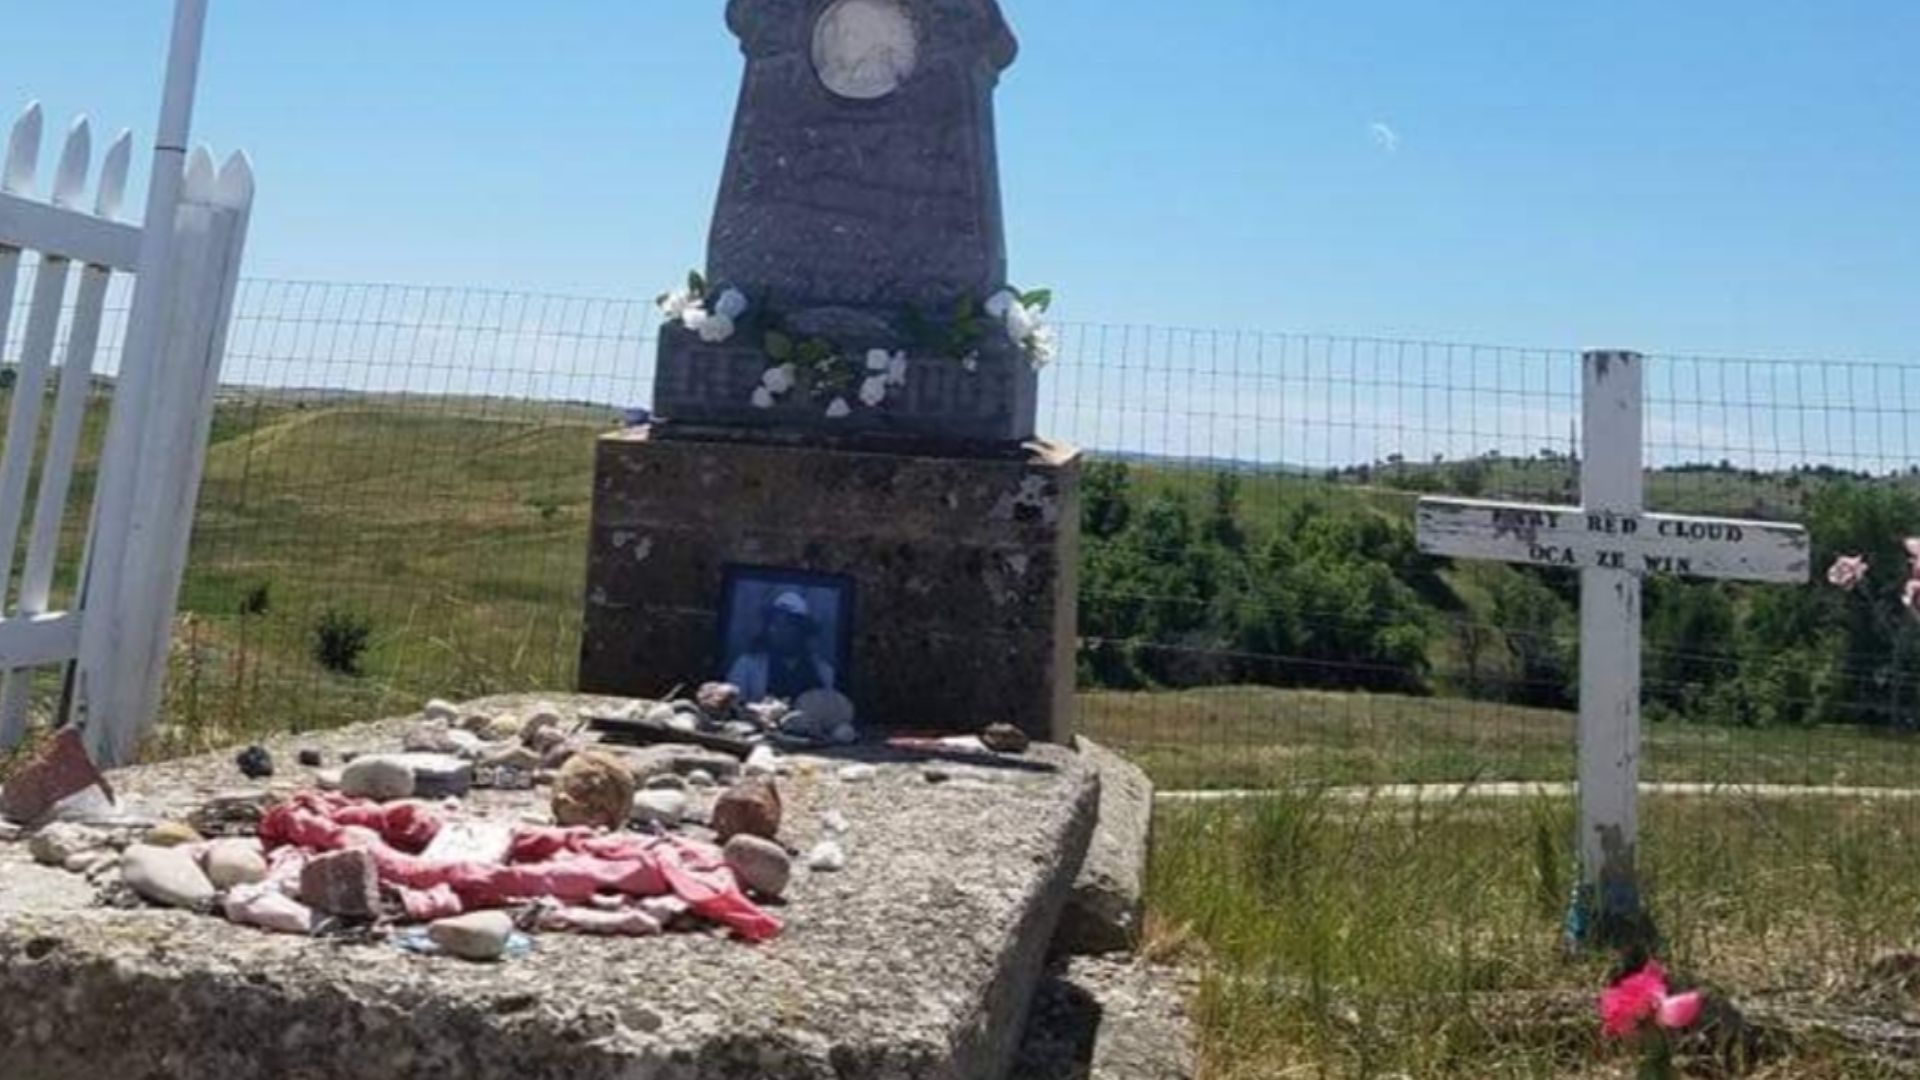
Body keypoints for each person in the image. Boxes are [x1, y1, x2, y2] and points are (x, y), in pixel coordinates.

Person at [726, 590, 836, 701]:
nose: (775, 630)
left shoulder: (825, 672)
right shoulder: (746, 666)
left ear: (802, 630)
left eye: (785, 625)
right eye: (773, 624)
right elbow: (733, 706)